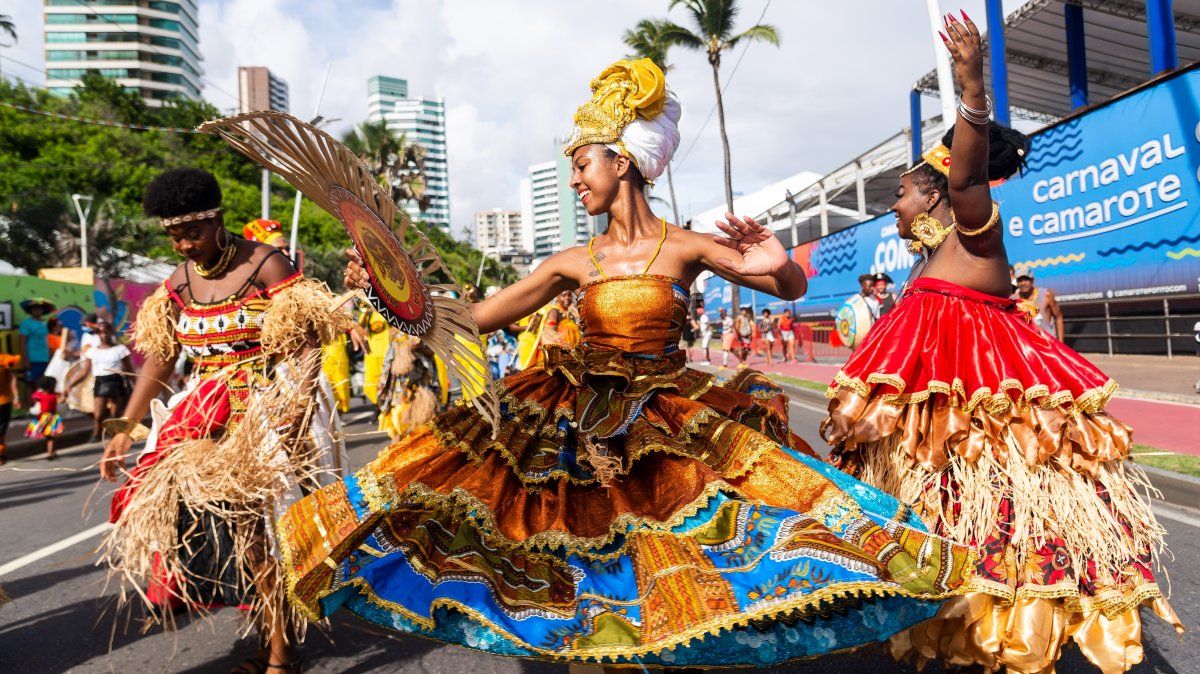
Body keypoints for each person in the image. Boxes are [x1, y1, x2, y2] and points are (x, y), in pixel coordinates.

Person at [275, 58, 969, 669]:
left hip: (667, 422)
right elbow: (475, 319)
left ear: (622, 162)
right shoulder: (571, 262)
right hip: (579, 426)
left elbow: (788, 288)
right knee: (590, 578)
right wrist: (395, 298)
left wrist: (779, 263)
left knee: (686, 560)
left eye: (582, 164)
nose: (575, 179)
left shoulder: (687, 246)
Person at [820, 15, 1180, 673]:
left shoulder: (975, 238)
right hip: (938, 443)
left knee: (1002, 545)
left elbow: (965, 179)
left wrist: (969, 87)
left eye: (901, 193)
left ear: (934, 193)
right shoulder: (927, 266)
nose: (894, 207)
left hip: (986, 432)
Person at [97, 167, 356, 673]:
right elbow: (160, 359)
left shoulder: (267, 264)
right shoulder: (178, 283)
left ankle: (281, 654)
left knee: (267, 536)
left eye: (192, 232)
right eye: (174, 235)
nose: (184, 245)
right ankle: (272, 638)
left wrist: (295, 411)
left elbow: (306, 347)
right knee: (240, 539)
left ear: (217, 220)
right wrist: (124, 431)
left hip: (271, 411)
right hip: (206, 419)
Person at [67, 320, 132, 442]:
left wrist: (137, 384)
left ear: (111, 332)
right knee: (98, 414)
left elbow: (129, 369)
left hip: (116, 381)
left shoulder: (120, 349)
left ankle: (114, 438)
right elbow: (85, 371)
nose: (103, 335)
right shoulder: (92, 351)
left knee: (115, 414)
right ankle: (97, 433)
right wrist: (70, 384)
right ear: (97, 334)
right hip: (101, 382)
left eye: (106, 332)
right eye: (100, 332)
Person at [376, 332, 442, 441]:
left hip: (422, 387)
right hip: (401, 390)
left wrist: (420, 346)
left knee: (424, 428)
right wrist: (407, 346)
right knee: (399, 427)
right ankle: (397, 449)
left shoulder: (424, 331)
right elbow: (398, 368)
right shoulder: (398, 336)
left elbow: (432, 351)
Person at [18, 298, 54, 403]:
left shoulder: (45, 324)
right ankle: (29, 409)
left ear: (43, 310)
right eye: (34, 309)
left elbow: (48, 342)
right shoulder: (26, 324)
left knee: (42, 385)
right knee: (30, 384)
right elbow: (22, 342)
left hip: (44, 359)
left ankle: (40, 408)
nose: (37, 310)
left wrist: (50, 358)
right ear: (30, 311)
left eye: (39, 309)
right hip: (32, 359)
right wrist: (25, 360)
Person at [1014, 271, 1063, 340]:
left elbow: (1058, 317)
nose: (1023, 283)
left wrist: (1061, 342)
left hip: (1048, 341)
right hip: (1028, 342)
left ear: (1032, 280)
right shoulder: (1014, 299)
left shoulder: (1046, 295)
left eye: (1026, 279)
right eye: (1020, 280)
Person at [24, 375, 62, 460]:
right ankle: (50, 452)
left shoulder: (39, 395)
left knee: (48, 435)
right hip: (52, 416)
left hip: (42, 416)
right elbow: (61, 400)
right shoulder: (54, 395)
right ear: (51, 386)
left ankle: (52, 451)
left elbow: (33, 397)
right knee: (51, 436)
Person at [0, 354, 19, 465]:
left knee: (1, 430)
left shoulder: (6, 360)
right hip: (5, 401)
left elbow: (13, 379)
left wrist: (16, 397)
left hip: (4, 401)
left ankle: (1, 454)